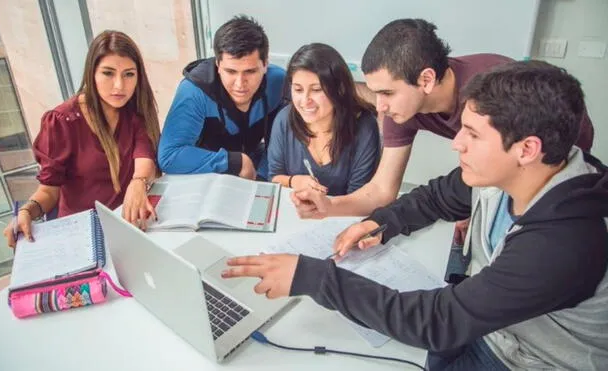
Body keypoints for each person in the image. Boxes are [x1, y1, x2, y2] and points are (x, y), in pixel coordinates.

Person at [222, 61, 608, 370]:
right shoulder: (515, 171)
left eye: (472, 135)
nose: (456, 143)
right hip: (491, 325)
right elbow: (437, 196)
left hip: (523, 358)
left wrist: (311, 275)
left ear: (527, 149)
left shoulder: (563, 244)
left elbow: (440, 321)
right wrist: (379, 222)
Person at [292, 18, 595, 218]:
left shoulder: (487, 93)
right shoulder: (403, 107)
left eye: (387, 93)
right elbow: (382, 191)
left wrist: (486, 209)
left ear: (425, 80)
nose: (380, 107)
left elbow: (517, 168)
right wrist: (329, 206)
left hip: (561, 146)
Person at [4, 30, 160, 246]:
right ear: (92, 74)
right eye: (108, 73)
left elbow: (144, 157)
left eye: (129, 74)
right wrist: (27, 211)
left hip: (126, 225)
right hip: (81, 234)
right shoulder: (61, 121)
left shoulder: (133, 111)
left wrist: (138, 183)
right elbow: (50, 190)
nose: (119, 86)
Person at [158, 15, 285, 180]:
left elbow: (280, 145)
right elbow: (169, 156)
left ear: (265, 64)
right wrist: (235, 162)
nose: (240, 84)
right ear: (218, 65)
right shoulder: (194, 91)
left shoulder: (279, 81)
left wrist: (262, 178)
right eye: (231, 72)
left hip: (256, 163)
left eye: (250, 71)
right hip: (205, 170)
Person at [267, 43, 380, 196]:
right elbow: (274, 178)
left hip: (344, 215)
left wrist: (323, 206)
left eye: (316, 90)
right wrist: (294, 181)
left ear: (339, 89)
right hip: (295, 213)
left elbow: (359, 196)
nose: (305, 100)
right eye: (298, 89)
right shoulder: (284, 119)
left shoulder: (364, 126)